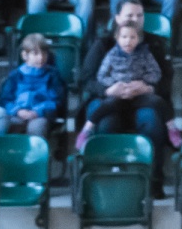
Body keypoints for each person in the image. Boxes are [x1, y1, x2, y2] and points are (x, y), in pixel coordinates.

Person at [73, 21, 175, 152]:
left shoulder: (145, 54)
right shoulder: (111, 54)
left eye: (133, 37)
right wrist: (112, 87)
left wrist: (145, 84)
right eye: (124, 37)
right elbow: (101, 75)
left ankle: (173, 130)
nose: (128, 41)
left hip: (138, 94)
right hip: (117, 94)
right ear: (117, 37)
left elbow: (156, 72)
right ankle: (87, 129)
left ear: (139, 39)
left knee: (159, 102)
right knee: (106, 108)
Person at [0, 33, 63, 141]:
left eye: (44, 53)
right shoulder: (15, 75)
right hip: (17, 113)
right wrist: (17, 111)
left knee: (36, 128)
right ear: (25, 55)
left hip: (41, 115)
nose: (41, 57)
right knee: (8, 125)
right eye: (35, 53)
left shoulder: (52, 75)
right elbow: (5, 99)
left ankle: (36, 157)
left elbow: (56, 100)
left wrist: (37, 111)